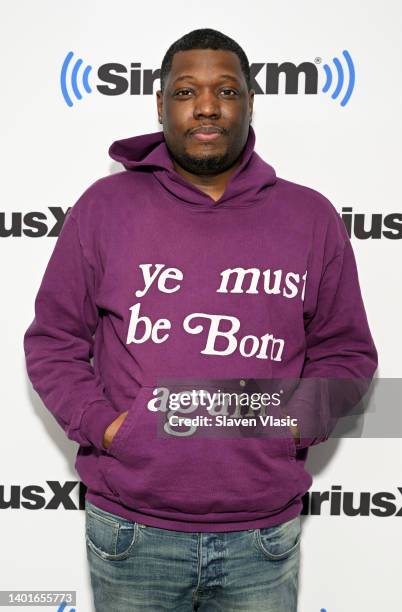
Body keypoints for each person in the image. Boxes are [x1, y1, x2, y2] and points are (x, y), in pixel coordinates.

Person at [23, 27, 378, 612]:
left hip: (262, 533)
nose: (207, 106)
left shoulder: (309, 216)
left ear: (250, 103)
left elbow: (347, 351)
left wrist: (292, 427)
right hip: (132, 531)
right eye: (187, 91)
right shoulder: (104, 209)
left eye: (227, 91)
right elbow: (54, 341)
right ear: (160, 104)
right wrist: (109, 426)